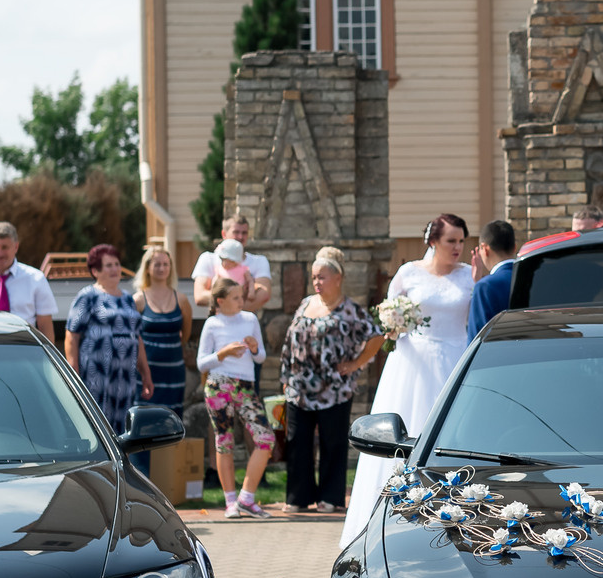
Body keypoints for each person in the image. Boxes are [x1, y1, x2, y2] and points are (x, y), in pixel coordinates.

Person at [341, 213, 474, 541]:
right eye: (450, 241)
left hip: (456, 357)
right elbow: (390, 320)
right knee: (405, 434)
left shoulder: (471, 275)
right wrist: (393, 324)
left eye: (461, 241)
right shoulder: (408, 273)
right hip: (412, 364)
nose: (457, 247)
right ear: (433, 241)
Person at [282, 247, 381, 514]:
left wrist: (355, 364)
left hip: (335, 389)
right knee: (298, 441)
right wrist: (286, 377)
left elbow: (376, 337)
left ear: (338, 278)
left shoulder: (350, 310)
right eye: (314, 277)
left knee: (332, 443)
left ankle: (330, 497)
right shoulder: (305, 303)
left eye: (322, 277)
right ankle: (298, 497)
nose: (317, 282)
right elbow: (290, 342)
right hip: (299, 387)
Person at [197, 277, 273, 518]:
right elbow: (201, 363)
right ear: (220, 301)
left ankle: (246, 498)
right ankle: (230, 502)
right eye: (236, 297)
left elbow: (261, 357)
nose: (243, 301)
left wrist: (253, 348)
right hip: (219, 385)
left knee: (265, 438)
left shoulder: (250, 320)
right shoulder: (212, 323)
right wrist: (223, 353)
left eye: (242, 296)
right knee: (224, 441)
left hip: (246, 387)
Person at [64, 243, 152, 435]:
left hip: (124, 375)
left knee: (121, 428)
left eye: (117, 264)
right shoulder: (87, 296)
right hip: (96, 373)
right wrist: (73, 372)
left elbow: (137, 338)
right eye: (109, 265)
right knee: (95, 424)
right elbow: (72, 335)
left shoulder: (129, 299)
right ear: (95, 271)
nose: (115, 269)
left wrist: (145, 374)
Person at [130, 244, 189, 422]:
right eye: (157, 264)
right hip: (146, 372)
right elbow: (132, 337)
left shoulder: (181, 299)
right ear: (147, 268)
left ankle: (168, 452)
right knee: (144, 420)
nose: (162, 268)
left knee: (171, 420)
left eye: (166, 264)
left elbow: (185, 333)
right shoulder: (138, 300)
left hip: (174, 372)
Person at [191, 212, 275, 315]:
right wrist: (238, 299)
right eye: (236, 232)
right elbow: (199, 296)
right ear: (224, 234)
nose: (240, 236)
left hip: (246, 324)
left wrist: (225, 305)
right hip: (218, 323)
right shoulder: (208, 258)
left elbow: (263, 295)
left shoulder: (259, 261)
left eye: (244, 233)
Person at [467, 219, 518, 342]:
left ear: (484, 249)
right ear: (515, 247)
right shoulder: (532, 278)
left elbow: (477, 340)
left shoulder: (485, 286)